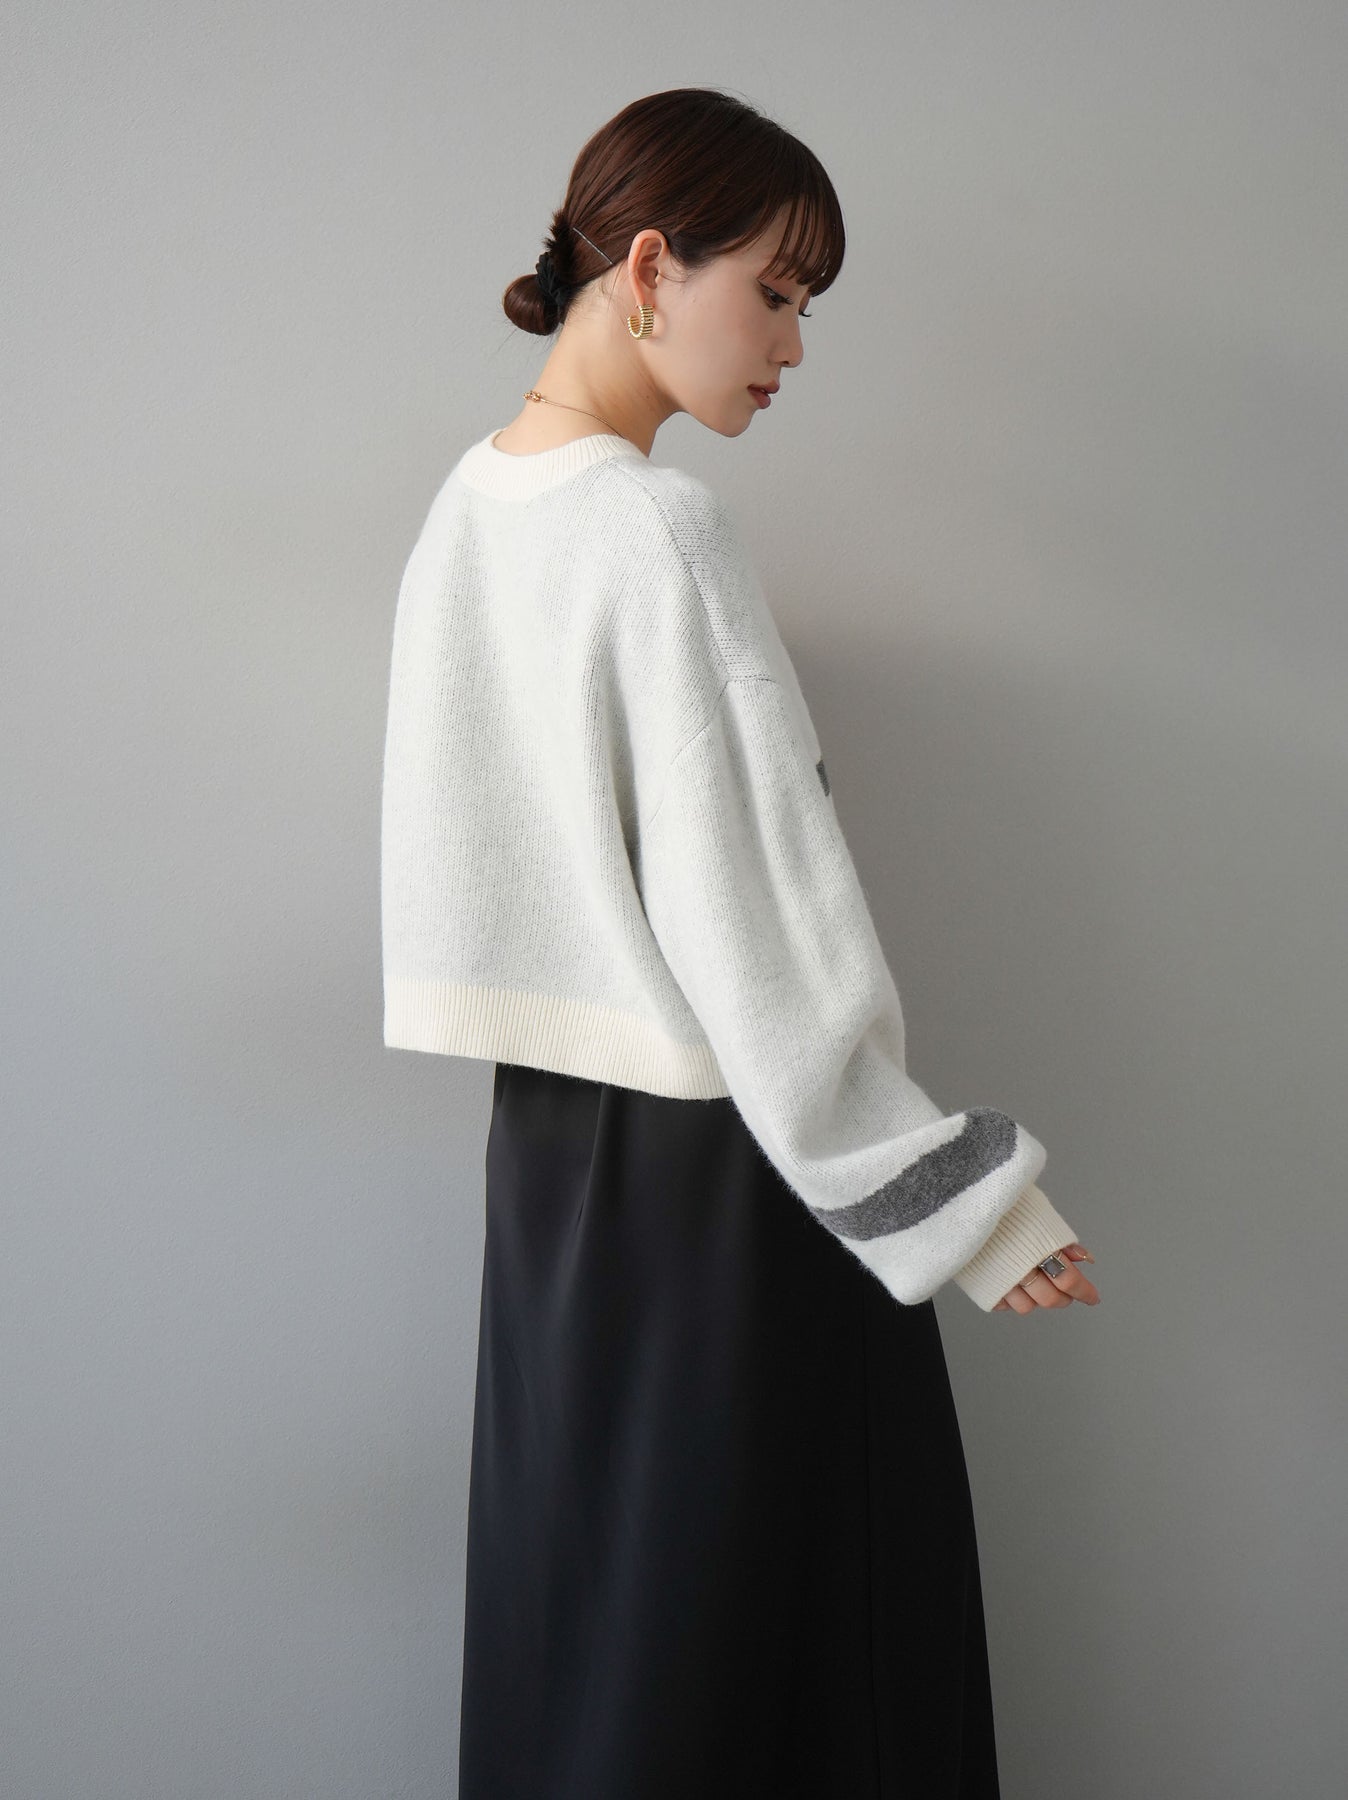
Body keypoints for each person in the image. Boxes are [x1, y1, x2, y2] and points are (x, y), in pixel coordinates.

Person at [380, 85, 1101, 1800]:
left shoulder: (472, 504)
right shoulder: (658, 529)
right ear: (649, 267)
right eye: (774, 292)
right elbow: (757, 916)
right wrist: (965, 1205)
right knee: (802, 1665)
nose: (792, 345)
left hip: (553, 1167)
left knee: (601, 1629)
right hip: (738, 1173)